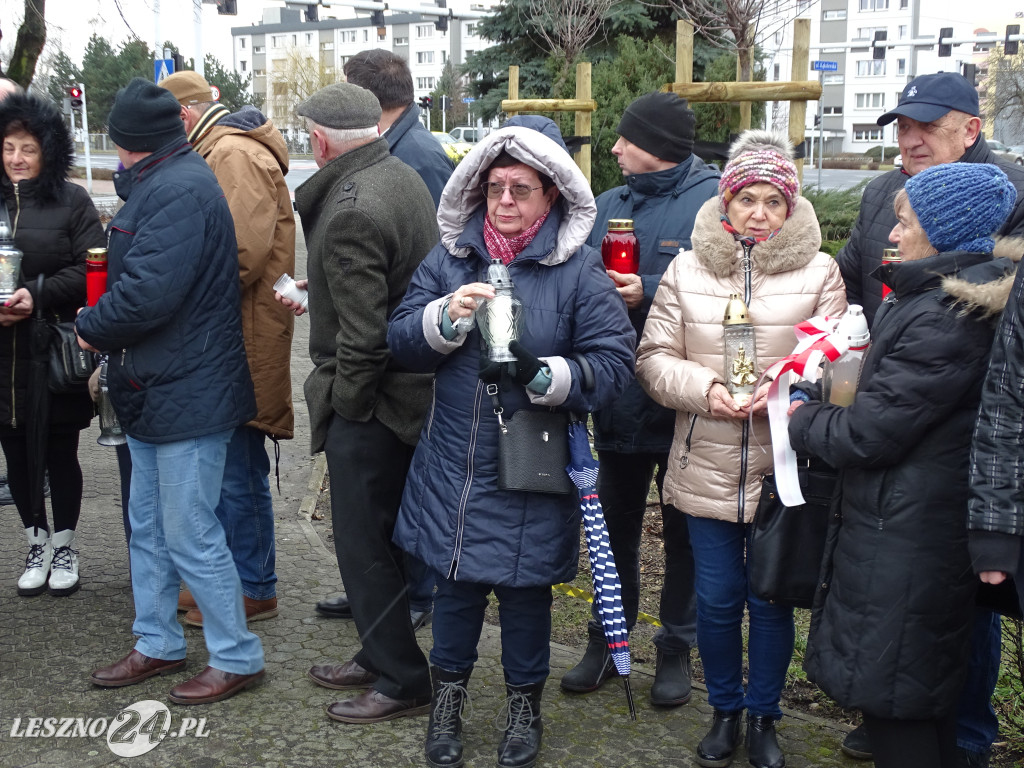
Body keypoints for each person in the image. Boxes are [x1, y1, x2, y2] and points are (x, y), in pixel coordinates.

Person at [387, 125, 635, 768]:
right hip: (456, 461)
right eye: (494, 187)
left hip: (533, 457)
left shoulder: (576, 269)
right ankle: (448, 703)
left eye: (520, 189)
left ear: (550, 196)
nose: (504, 201)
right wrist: (444, 319)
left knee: (526, 595)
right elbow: (402, 342)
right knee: (456, 591)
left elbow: (613, 366)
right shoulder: (452, 259)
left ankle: (525, 709)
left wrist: (543, 373)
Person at [788, 162, 1017, 768]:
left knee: (896, 703)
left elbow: (870, 434)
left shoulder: (949, 315)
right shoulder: (937, 299)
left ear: (943, 230)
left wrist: (799, 416)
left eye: (906, 221)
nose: (893, 234)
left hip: (908, 538)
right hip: (907, 526)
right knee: (919, 701)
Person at [635, 131, 846, 768]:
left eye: (771, 201)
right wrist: (706, 389)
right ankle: (724, 710)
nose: (758, 213)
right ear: (725, 203)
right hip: (705, 462)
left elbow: (836, 363)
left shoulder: (821, 272)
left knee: (769, 599)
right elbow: (653, 360)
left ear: (790, 208)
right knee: (719, 601)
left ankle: (765, 717)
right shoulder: (685, 268)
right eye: (745, 199)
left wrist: (786, 391)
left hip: (783, 472)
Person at [833, 70, 1024, 766]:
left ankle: (966, 727)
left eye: (926, 126)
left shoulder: (1007, 192)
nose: (909, 139)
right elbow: (858, 275)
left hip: (964, 435)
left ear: (969, 130)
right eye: (901, 127)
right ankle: (899, 710)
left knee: (962, 598)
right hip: (894, 396)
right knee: (905, 606)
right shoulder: (885, 192)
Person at [77, 78, 264, 704]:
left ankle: (237, 655)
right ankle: (156, 641)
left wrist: (88, 328)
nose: (114, 155)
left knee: (188, 529)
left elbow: (148, 296)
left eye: (118, 142)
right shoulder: (164, 181)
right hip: (160, 385)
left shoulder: (178, 190)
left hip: (189, 388)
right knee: (150, 527)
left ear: (133, 143)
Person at [561, 91, 719, 706]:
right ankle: (607, 639)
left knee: (683, 536)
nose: (616, 148)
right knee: (612, 527)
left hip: (687, 404)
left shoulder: (711, 205)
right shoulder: (608, 205)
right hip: (618, 401)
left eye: (626, 139)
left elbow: (726, 290)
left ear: (655, 145)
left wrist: (646, 289)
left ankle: (675, 650)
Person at [291, 82, 438, 724]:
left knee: (363, 545)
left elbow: (363, 338)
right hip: (408, 395)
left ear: (320, 140)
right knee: (385, 542)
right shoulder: (396, 173)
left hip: (375, 405)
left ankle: (402, 678)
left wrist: (348, 408)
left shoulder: (350, 205)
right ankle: (382, 653)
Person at [314, 47, 453, 627]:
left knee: (381, 517)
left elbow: (425, 262)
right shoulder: (395, 160)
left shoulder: (410, 162)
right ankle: (384, 612)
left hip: (391, 382)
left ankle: (408, 609)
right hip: (397, 369)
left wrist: (348, 404)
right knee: (378, 523)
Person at [159, 70, 296, 627]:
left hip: (242, 337)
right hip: (234, 333)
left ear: (185, 118)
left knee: (239, 464)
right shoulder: (222, 149)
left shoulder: (232, 155)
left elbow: (237, 254)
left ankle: (255, 585)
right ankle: (239, 576)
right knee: (231, 464)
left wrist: (168, 288)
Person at [0, 93, 104, 597]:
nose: (17, 158)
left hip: (52, 348)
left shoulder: (72, 200)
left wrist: (35, 294)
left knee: (59, 451)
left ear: (49, 152)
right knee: (16, 453)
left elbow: (91, 268)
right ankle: (34, 540)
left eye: (28, 148)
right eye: (8, 147)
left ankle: (65, 544)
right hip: (3, 354)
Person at [343, 48, 454, 207]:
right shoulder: (400, 147)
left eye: (346, 95)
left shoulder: (421, 159)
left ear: (364, 101)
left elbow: (437, 228)